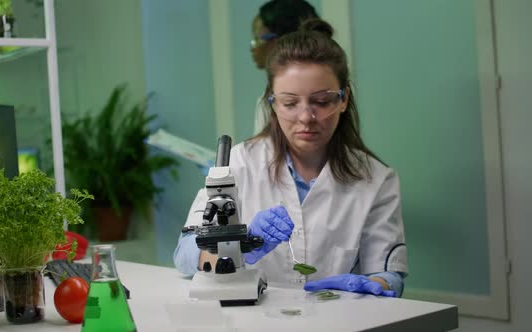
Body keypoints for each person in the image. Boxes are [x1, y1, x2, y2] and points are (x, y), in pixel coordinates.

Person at [174, 18, 407, 297]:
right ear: (272, 103)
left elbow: (387, 270)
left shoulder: (376, 179)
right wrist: (240, 245)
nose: (306, 117)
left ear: (343, 99)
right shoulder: (240, 163)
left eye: (322, 102)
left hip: (340, 320)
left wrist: (375, 285)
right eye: (290, 103)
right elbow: (185, 253)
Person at [250, 0, 319, 134]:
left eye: (256, 38)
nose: (253, 47)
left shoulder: (271, 101)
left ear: (278, 41)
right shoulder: (268, 97)